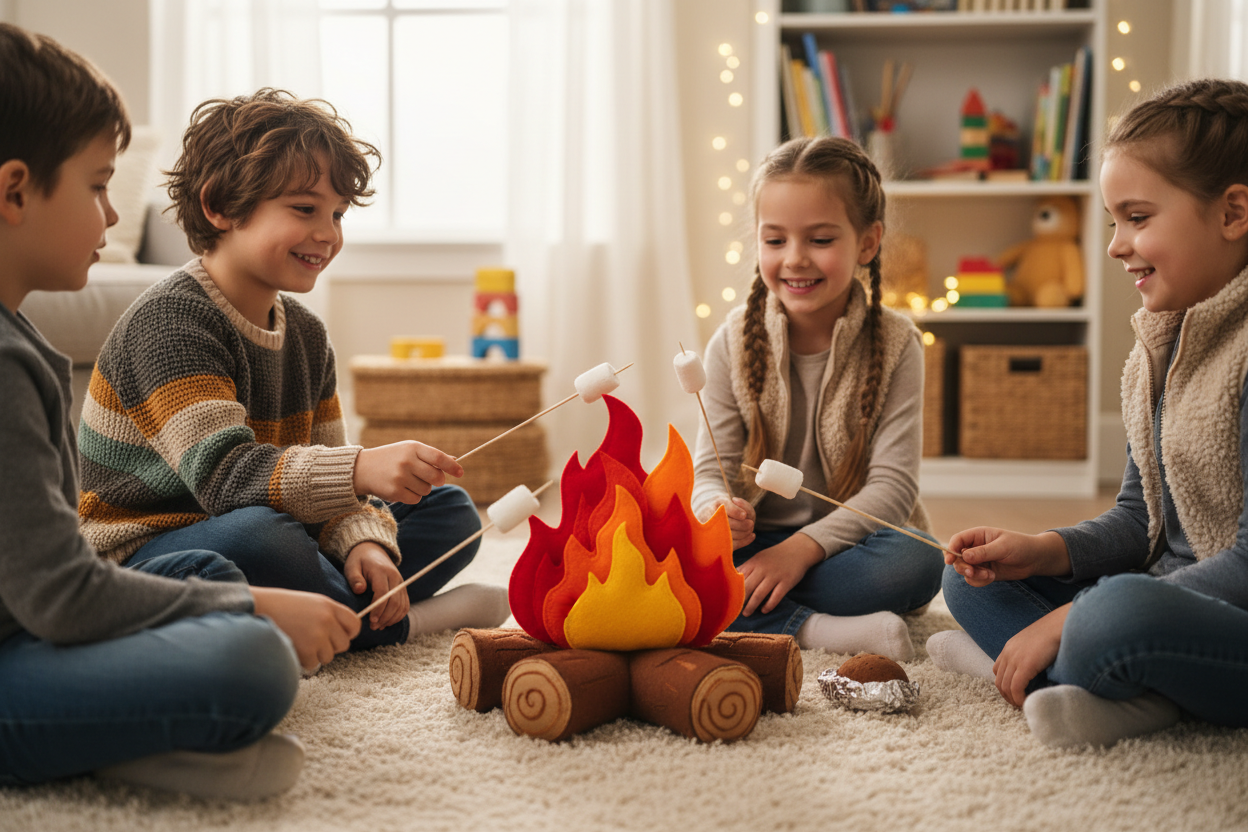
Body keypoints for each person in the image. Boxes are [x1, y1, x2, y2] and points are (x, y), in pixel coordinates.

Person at [0, 22, 362, 799]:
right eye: (99, 186)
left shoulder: (20, 339)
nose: (110, 217)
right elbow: (62, 594)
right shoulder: (14, 361)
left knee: (214, 576)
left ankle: (130, 736)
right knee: (253, 657)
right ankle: (119, 743)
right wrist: (256, 603)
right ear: (15, 190)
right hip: (30, 637)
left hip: (34, 624)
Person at [77, 88, 509, 652]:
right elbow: (228, 480)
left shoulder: (306, 333)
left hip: (270, 516)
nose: (328, 233)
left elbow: (329, 484)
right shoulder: (170, 322)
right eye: (304, 209)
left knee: (448, 506)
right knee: (264, 536)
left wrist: (363, 545)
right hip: (156, 548)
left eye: (336, 214)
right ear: (221, 207)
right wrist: (358, 469)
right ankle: (400, 624)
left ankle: (332, 614)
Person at [928, 78, 1248, 749]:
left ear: (1233, 212)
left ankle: (1045, 667)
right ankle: (1111, 686)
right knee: (967, 587)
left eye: (1137, 218)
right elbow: (1138, 519)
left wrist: (1074, 615)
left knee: (1113, 617)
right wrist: (1043, 552)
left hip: (1223, 612)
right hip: (1162, 596)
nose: (1114, 246)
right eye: (1112, 222)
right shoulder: (1157, 348)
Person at [690, 135, 943, 661]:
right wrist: (716, 512)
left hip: (851, 546)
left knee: (917, 560)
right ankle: (816, 630)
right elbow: (710, 470)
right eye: (775, 240)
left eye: (821, 240)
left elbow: (893, 488)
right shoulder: (730, 342)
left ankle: (753, 609)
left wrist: (800, 552)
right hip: (755, 544)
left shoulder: (898, 345)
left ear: (868, 243)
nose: (795, 259)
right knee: (671, 554)